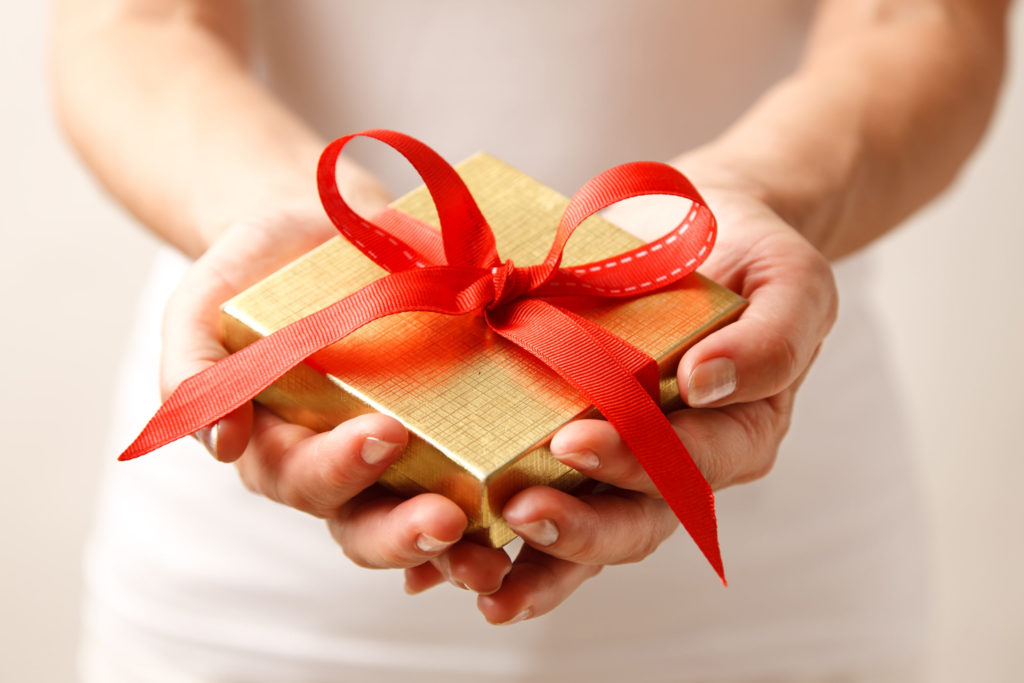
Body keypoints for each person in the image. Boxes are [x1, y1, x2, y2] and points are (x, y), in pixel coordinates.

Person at [53, 1, 1010, 681]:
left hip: (773, 573)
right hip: (249, 597)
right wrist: (271, 210)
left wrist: (764, 192)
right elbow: (130, 22)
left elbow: (924, 19)